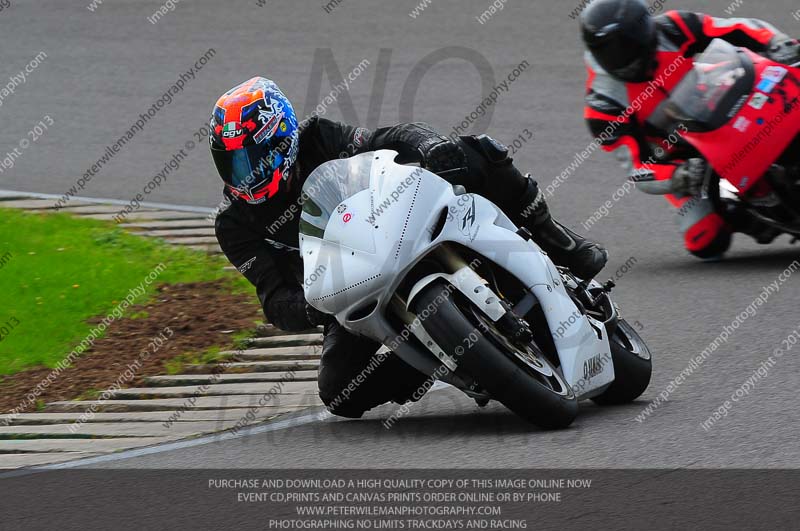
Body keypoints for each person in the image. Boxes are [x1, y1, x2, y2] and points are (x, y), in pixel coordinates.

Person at [211, 76, 608, 418]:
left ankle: (557, 239)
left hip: (393, 229)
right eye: (232, 165)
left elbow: (386, 139)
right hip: (343, 288)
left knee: (474, 151)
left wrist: (431, 144)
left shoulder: (319, 137)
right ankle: (443, 360)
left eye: (252, 161)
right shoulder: (233, 223)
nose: (245, 176)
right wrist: (312, 306)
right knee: (340, 394)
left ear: (283, 138)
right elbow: (273, 298)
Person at [580, 0, 800, 258]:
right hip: (684, 156)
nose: (626, 54)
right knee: (705, 240)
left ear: (647, 30)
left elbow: (738, 27)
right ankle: (746, 213)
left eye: (630, 42)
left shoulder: (673, 27)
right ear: (597, 53)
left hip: (721, 104)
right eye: (614, 50)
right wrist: (679, 175)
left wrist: (777, 43)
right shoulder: (603, 105)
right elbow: (638, 169)